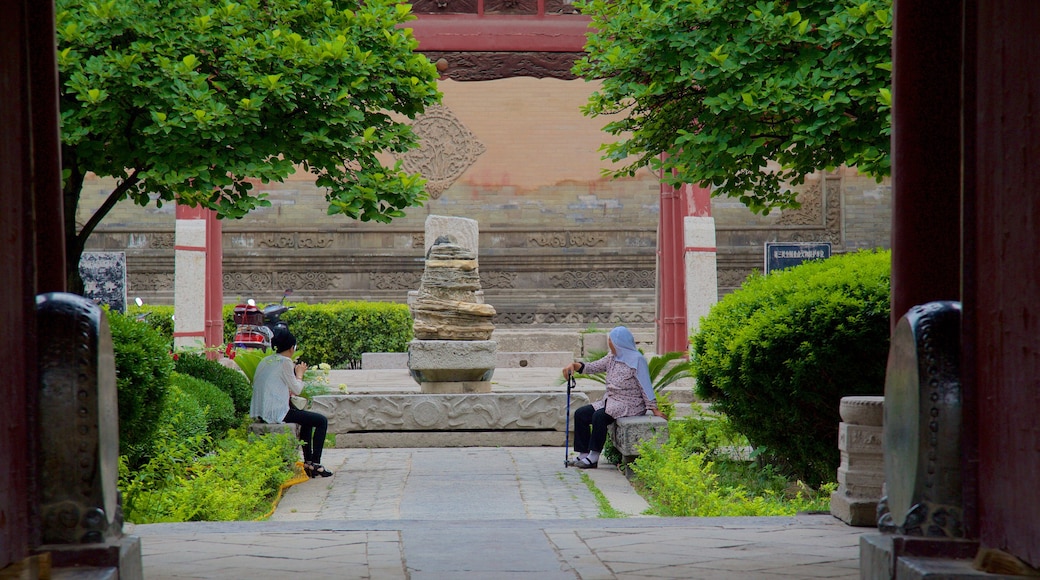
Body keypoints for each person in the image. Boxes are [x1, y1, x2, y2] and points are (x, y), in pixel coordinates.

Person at [561, 326, 666, 468]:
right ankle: (583, 455)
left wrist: (654, 410)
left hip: (629, 404)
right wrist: (574, 366)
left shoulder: (637, 360)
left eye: (611, 340)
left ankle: (593, 457)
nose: (609, 343)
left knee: (599, 416)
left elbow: (645, 386)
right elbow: (593, 366)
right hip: (611, 400)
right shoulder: (612, 357)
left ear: (620, 342)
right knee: (581, 414)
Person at [250, 329, 333, 477]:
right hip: (277, 413)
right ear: (291, 348)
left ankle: (309, 463)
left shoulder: (266, 360)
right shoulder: (285, 362)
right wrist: (299, 374)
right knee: (321, 421)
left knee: (307, 420)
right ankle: (316, 463)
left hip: (261, 411)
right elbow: (297, 389)